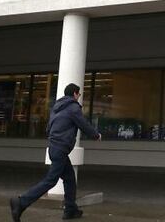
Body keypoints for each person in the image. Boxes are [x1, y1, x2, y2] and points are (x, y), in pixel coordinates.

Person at [10, 83, 101, 221]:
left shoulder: (57, 108)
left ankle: (70, 209)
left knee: (69, 179)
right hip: (60, 149)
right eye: (79, 94)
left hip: (54, 147)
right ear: (75, 94)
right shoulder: (73, 107)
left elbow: (48, 128)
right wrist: (96, 135)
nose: (79, 97)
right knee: (50, 181)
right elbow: (83, 124)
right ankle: (21, 202)